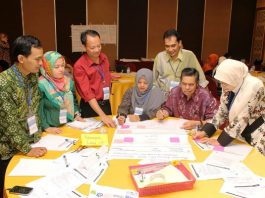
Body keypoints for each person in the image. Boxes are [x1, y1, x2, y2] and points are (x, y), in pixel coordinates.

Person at [0, 35, 47, 196]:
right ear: (21, 58)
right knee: (15, 190)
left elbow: (34, 107)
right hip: (9, 149)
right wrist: (27, 149)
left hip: (30, 141)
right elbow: (9, 122)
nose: (41, 63)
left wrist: (37, 135)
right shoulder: (4, 83)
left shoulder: (33, 75)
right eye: (37, 59)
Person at [193, 59, 265, 155]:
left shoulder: (254, 86)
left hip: (256, 133)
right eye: (221, 83)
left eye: (224, 83)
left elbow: (242, 117)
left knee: (254, 162)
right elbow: (222, 111)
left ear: (235, 78)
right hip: (236, 131)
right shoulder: (229, 83)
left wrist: (221, 141)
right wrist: (206, 131)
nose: (222, 87)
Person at [73, 29, 115, 127]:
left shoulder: (104, 58)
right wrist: (102, 115)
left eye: (99, 46)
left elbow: (103, 76)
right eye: (92, 47)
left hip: (106, 103)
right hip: (90, 107)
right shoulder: (79, 66)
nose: (97, 50)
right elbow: (88, 94)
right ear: (84, 47)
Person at [38, 51, 83, 134]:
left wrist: (76, 114)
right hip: (51, 128)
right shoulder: (41, 85)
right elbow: (38, 110)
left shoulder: (68, 81)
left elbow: (74, 102)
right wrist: (46, 127)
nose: (61, 69)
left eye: (62, 65)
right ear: (47, 67)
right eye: (56, 67)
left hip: (69, 124)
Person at [153, 29, 208, 93]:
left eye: (173, 46)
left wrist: (207, 99)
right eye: (167, 46)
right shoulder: (159, 57)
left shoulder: (189, 56)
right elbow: (154, 81)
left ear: (180, 43)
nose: (170, 50)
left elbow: (202, 81)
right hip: (164, 96)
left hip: (183, 96)